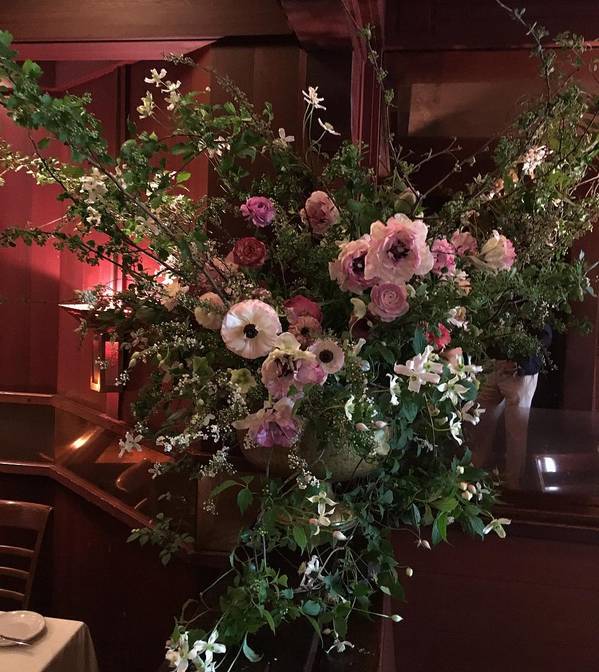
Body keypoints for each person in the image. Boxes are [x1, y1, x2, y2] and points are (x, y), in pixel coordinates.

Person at [472, 325, 552, 488]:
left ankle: (513, 486)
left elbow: (544, 333)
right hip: (488, 363)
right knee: (479, 423)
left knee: (516, 432)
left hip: (519, 369)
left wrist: (522, 361)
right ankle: (472, 480)